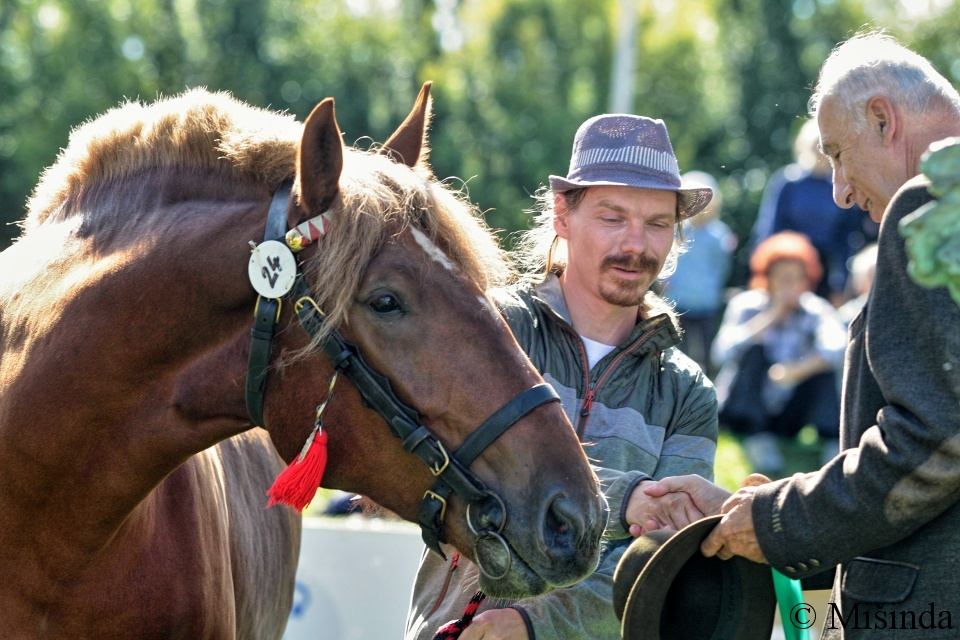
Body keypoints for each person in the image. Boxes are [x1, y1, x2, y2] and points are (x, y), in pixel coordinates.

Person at [637, 32, 960, 639]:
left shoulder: (935, 209)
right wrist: (760, 510)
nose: (837, 191)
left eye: (838, 154)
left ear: (884, 119)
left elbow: (937, 438)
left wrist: (778, 520)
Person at [405, 114, 719, 640]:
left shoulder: (687, 392)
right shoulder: (495, 329)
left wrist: (533, 624)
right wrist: (630, 498)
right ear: (562, 215)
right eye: (613, 217)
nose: (637, 245)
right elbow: (443, 470)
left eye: (658, 223)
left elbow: (661, 561)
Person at [712, 231, 845, 476]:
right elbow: (721, 352)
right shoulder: (746, 305)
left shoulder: (815, 310)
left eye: (795, 278)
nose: (789, 285)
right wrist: (771, 316)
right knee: (753, 351)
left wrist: (797, 370)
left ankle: (832, 442)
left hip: (790, 408)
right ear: (768, 278)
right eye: (782, 278)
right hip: (744, 406)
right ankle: (758, 438)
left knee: (825, 367)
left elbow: (838, 348)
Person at [751, 118, 878, 305]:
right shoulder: (788, 183)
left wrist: (841, 282)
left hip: (828, 268)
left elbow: (848, 236)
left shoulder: (842, 186)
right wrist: (766, 274)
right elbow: (770, 228)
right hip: (790, 264)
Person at [663, 170, 737, 376]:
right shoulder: (678, 230)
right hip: (679, 300)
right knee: (680, 351)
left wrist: (715, 287)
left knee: (707, 350)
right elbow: (668, 260)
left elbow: (722, 266)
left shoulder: (719, 235)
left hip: (706, 301)